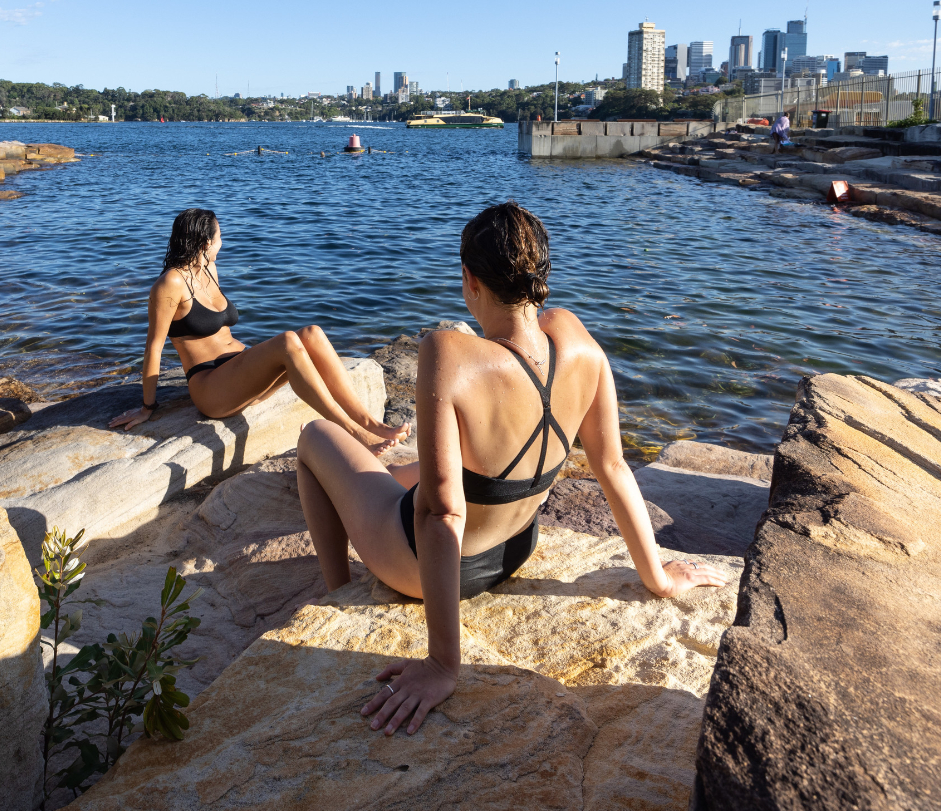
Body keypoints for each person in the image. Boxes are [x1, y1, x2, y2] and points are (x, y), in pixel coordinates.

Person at [293, 201, 728, 737]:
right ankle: (378, 504)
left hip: (422, 571)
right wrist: (658, 578)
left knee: (315, 437)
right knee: (415, 472)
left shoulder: (449, 352)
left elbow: (442, 515)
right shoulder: (575, 339)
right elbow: (613, 465)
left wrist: (443, 665)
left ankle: (339, 591)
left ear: (470, 280)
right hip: (514, 550)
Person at [108, 209, 409, 452]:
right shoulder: (170, 284)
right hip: (211, 387)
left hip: (240, 373)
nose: (222, 242)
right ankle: (354, 433)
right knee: (288, 341)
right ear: (205, 243)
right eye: (220, 237)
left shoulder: (209, 269)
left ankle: (372, 423)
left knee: (312, 333)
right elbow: (154, 347)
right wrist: (147, 407)